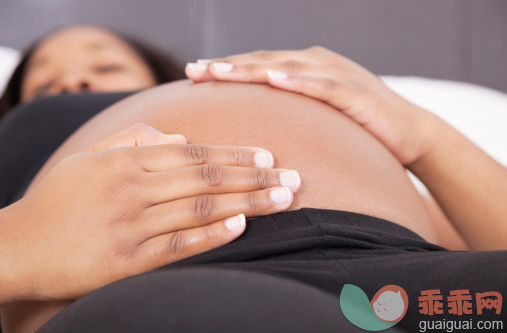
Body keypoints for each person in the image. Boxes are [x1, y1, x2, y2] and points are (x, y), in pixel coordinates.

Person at [0, 26, 506, 332]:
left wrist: (425, 135)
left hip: (404, 275)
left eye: (106, 64)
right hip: (180, 289)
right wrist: (19, 240)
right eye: (46, 85)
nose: (75, 81)